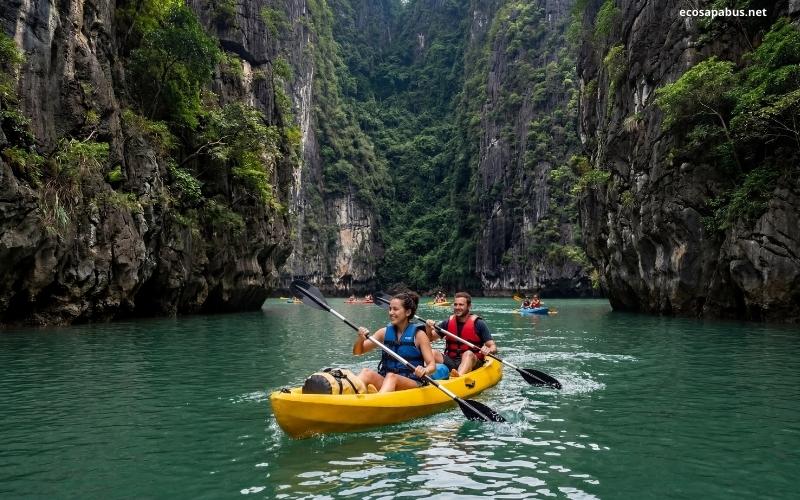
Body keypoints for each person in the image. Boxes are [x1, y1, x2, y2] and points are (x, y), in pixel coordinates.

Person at [353, 291, 437, 393]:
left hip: (413, 382)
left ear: (408, 312)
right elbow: (358, 352)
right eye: (390, 309)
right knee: (366, 372)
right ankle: (348, 399)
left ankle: (377, 404)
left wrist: (425, 370)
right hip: (387, 380)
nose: (391, 312)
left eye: (395, 309)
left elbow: (432, 365)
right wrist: (360, 339)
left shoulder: (419, 335)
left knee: (392, 377)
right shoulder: (383, 332)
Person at [426, 292, 497, 376]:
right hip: (451, 361)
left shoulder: (479, 324)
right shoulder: (447, 322)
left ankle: (458, 377)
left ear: (469, 306)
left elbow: (493, 346)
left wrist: (488, 350)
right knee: (432, 352)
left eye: (461, 305)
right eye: (455, 304)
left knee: (468, 354)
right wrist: (428, 327)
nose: (457, 307)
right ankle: (425, 375)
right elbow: (430, 339)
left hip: (472, 361)